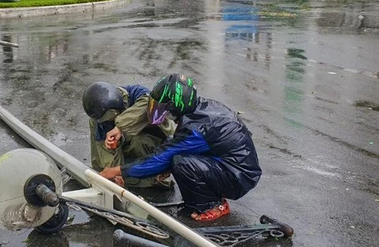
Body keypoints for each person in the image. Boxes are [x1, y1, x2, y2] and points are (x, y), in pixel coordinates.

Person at [99, 74, 261, 222]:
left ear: (175, 105)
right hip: (234, 167)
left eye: (162, 107)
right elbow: (177, 144)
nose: (160, 111)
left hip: (239, 177)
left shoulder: (196, 128)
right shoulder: (200, 110)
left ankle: (212, 205)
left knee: (181, 162)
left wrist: (116, 171)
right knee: (176, 155)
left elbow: (159, 159)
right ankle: (199, 200)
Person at [83, 82, 176, 189]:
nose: (110, 121)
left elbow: (148, 103)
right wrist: (115, 173)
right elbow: (104, 153)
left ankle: (155, 174)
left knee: (139, 141)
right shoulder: (99, 119)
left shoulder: (136, 93)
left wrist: (120, 127)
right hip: (129, 147)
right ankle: (135, 174)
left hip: (157, 143)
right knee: (105, 172)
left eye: (112, 118)